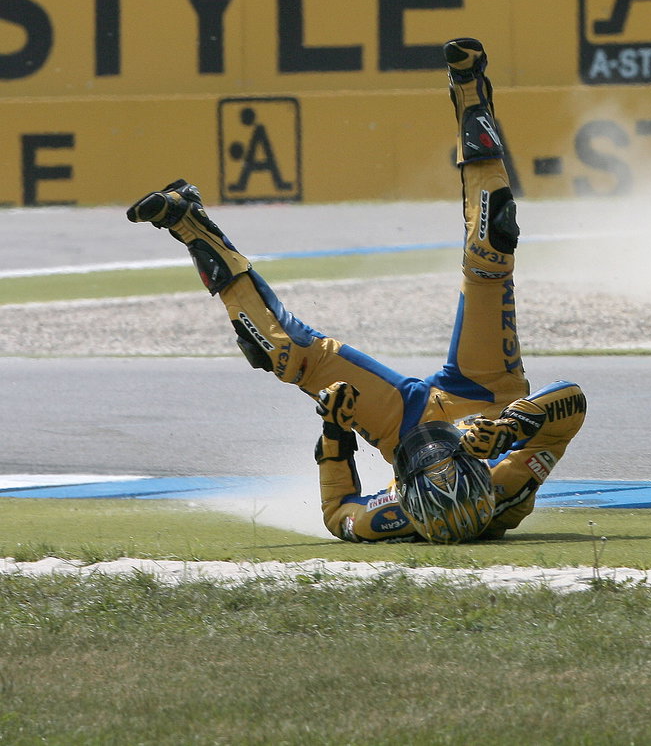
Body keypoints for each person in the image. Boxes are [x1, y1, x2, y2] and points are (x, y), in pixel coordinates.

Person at [126, 38, 586, 543]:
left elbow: (337, 513)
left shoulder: (391, 518)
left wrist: (336, 432)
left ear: (406, 496)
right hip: (488, 391)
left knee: (282, 354)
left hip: (401, 422)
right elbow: (573, 405)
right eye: (442, 456)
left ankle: (190, 224)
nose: (433, 450)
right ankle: (471, 89)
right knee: (490, 245)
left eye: (421, 466)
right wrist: (514, 426)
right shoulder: (510, 481)